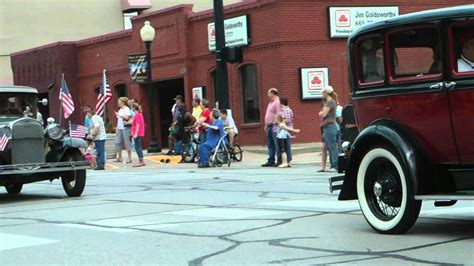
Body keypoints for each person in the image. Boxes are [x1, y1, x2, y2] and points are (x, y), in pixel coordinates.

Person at [319, 85, 339, 172]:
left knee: (333, 146)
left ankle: (336, 165)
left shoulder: (330, 102)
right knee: (324, 147)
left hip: (330, 126)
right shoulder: (327, 102)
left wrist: (321, 113)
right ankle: (323, 167)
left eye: (322, 93)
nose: (322, 94)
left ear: (326, 93)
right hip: (326, 127)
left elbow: (323, 114)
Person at [276, 97, 299, 168]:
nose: (279, 104)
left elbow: (287, 120)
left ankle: (287, 161)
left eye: (279, 103)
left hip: (285, 130)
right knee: (285, 146)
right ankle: (287, 161)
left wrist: (281, 123)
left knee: (285, 146)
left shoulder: (286, 110)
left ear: (282, 103)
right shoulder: (284, 110)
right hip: (285, 130)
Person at [261, 88, 282, 167]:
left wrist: (276, 123)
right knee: (270, 144)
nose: (267, 95)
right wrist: (266, 124)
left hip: (274, 126)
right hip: (269, 126)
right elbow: (268, 114)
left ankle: (279, 160)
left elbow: (279, 114)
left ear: (273, 94)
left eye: (269, 93)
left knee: (276, 143)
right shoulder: (270, 103)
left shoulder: (277, 102)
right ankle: (271, 160)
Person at [114, 97, 133, 163]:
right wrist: (117, 128)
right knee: (117, 142)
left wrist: (119, 115)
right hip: (120, 128)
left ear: (123, 102)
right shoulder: (120, 110)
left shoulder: (126, 109)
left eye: (119, 102)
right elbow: (118, 120)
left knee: (127, 142)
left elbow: (127, 117)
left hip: (126, 128)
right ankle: (119, 157)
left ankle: (129, 158)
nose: (118, 103)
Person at [131, 103, 146, 167]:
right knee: (137, 147)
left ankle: (141, 161)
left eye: (132, 107)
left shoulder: (137, 115)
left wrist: (136, 134)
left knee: (137, 147)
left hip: (138, 134)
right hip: (138, 133)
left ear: (134, 108)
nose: (131, 108)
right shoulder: (138, 114)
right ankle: (140, 161)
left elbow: (138, 125)